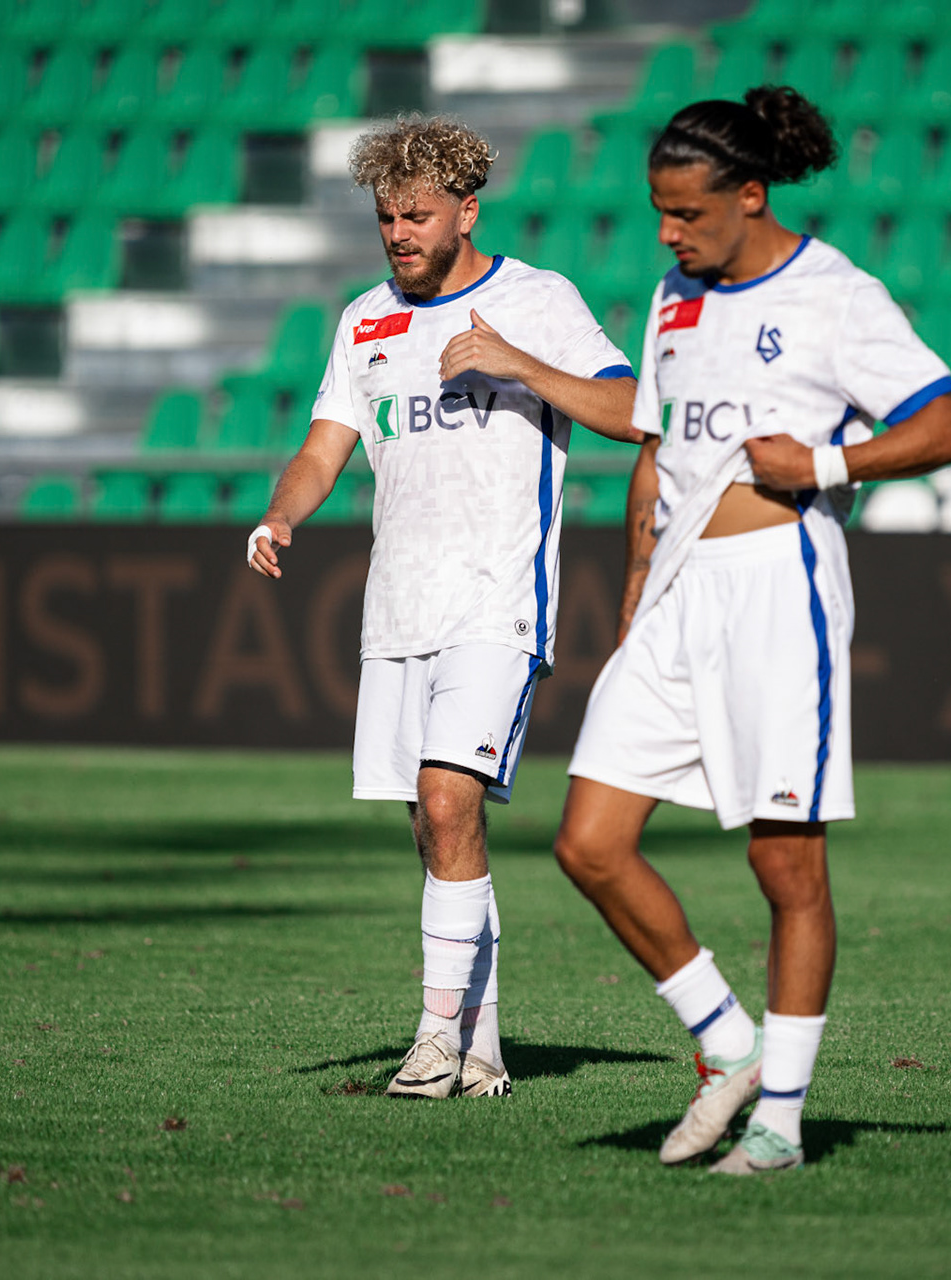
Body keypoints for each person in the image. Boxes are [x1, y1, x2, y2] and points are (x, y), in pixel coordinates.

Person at [552, 87, 951, 1172]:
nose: (668, 233)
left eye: (687, 213)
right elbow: (655, 443)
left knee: (785, 864)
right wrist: (635, 588)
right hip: (675, 594)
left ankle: (781, 1121)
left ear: (751, 195)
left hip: (779, 588)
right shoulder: (674, 296)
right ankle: (727, 1040)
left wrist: (827, 462)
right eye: (659, 212)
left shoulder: (836, 296)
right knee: (589, 842)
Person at [247, 116, 639, 1099]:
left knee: (447, 798)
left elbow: (636, 411)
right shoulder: (364, 319)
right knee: (437, 833)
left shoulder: (536, 300)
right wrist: (284, 513)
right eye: (386, 217)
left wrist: (519, 364)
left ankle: (430, 1041)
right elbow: (323, 447)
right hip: (398, 609)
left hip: (498, 601)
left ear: (467, 211)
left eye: (416, 216)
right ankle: (482, 1050)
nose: (398, 234)